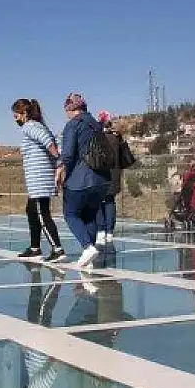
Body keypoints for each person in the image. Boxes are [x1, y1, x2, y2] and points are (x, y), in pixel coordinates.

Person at [57, 93, 111, 270]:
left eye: (66, 109)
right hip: (102, 179)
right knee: (90, 214)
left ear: (72, 109)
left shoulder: (73, 125)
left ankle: (87, 247)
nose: (66, 113)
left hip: (81, 179)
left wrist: (60, 169)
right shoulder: (96, 124)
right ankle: (89, 256)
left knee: (71, 214)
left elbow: (68, 154)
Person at [11, 99, 66, 261]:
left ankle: (58, 249)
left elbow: (50, 144)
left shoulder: (31, 126)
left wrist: (60, 162)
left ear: (25, 114)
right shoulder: (37, 126)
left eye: (16, 114)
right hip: (38, 178)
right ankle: (35, 247)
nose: (15, 118)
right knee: (31, 210)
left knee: (42, 214)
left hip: (40, 179)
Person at [94, 111, 127, 248]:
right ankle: (109, 231)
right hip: (115, 174)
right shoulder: (117, 138)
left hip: (101, 174)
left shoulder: (98, 138)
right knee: (110, 202)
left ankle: (101, 230)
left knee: (98, 202)